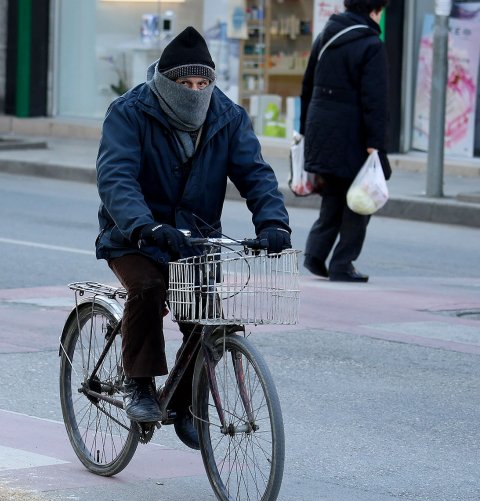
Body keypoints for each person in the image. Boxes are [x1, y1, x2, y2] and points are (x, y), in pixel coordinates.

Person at [95, 27, 291, 446]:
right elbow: (116, 178)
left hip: (194, 239)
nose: (195, 91)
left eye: (203, 83)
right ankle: (141, 384)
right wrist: (145, 226)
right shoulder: (129, 112)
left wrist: (274, 224)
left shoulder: (228, 117)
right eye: (185, 83)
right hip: (134, 235)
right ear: (166, 81)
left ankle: (187, 402)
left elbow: (256, 175)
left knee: (205, 318)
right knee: (148, 287)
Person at [299, 0, 391, 283]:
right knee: (361, 201)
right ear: (375, 9)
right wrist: (376, 143)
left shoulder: (326, 35)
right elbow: (375, 99)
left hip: (320, 128)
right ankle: (342, 263)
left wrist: (306, 130)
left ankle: (315, 254)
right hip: (353, 134)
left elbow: (307, 86)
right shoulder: (370, 44)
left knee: (334, 194)